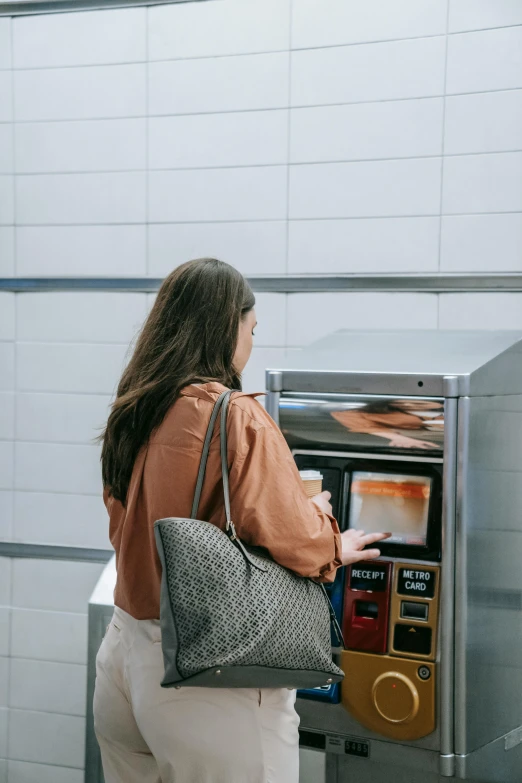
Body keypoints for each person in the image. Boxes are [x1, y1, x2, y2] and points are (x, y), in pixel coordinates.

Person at [94, 258, 389, 783]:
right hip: (205, 672)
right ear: (227, 327)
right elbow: (293, 537)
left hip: (123, 655)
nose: (251, 343)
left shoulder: (134, 408)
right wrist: (328, 539)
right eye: (251, 329)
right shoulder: (232, 413)